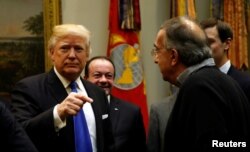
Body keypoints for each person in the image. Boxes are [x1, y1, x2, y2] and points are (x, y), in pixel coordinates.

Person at [151, 16, 250, 151]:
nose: (155, 59)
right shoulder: (224, 81)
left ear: (173, 56)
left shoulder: (198, 88)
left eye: (157, 50)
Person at [11, 24, 112, 152]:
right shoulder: (28, 88)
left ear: (87, 55)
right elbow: (18, 134)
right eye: (64, 48)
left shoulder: (97, 92)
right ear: (52, 53)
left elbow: (108, 142)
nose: (72, 55)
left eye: (78, 49)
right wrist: (57, 113)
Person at [84, 56, 146, 152]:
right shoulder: (76, 108)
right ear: (85, 79)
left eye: (109, 76)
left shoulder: (131, 112)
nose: (104, 80)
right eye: (97, 75)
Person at [200, 18, 250, 103]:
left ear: (227, 44)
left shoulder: (245, 83)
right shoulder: (197, 82)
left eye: (209, 42)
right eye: (201, 42)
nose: (204, 47)